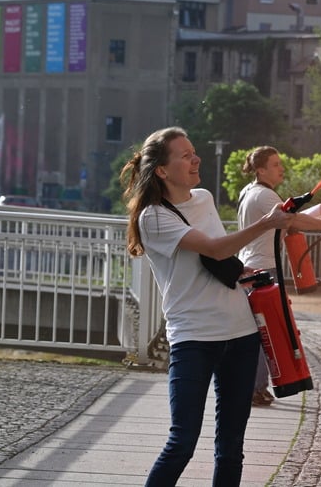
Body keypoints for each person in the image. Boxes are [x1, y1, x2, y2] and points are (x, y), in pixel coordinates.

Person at [121, 127, 299, 486]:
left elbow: (222, 255)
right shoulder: (153, 217)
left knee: (231, 446)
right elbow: (213, 249)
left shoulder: (203, 198)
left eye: (194, 152)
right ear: (161, 170)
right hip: (194, 338)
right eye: (185, 155)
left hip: (241, 332)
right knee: (182, 441)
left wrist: (243, 270)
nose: (196, 159)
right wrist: (268, 222)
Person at [236, 145, 321, 406]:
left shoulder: (249, 192)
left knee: (257, 330)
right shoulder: (265, 196)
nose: (281, 168)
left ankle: (253, 386)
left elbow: (286, 222)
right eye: (275, 164)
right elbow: (293, 222)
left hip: (251, 265)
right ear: (260, 169)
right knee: (268, 331)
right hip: (264, 270)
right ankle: (255, 389)